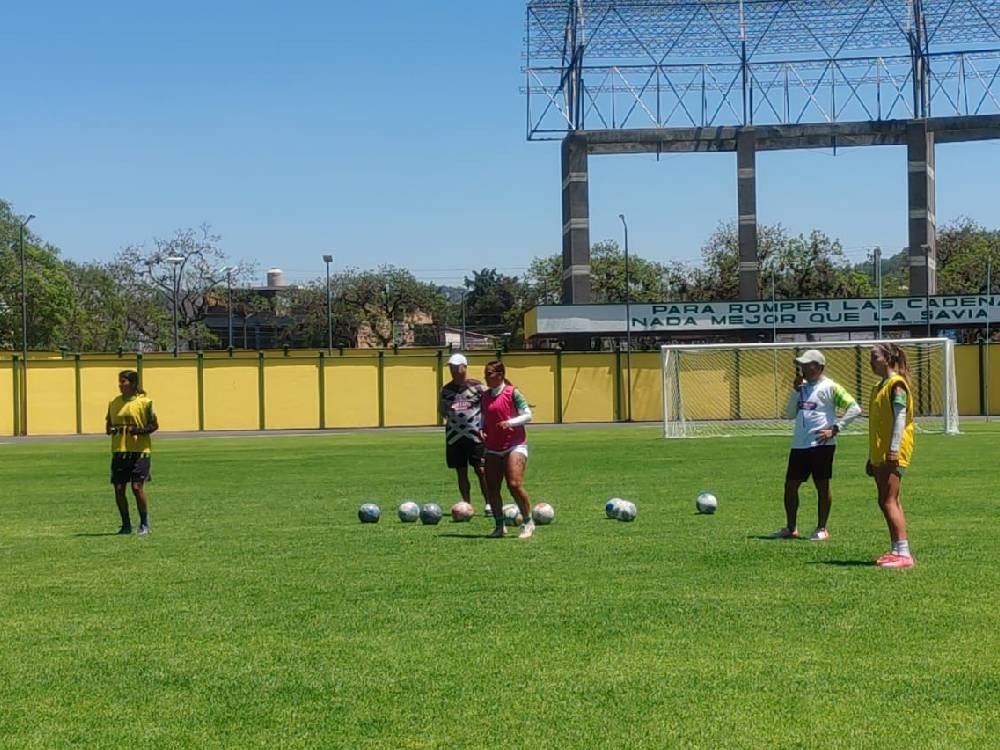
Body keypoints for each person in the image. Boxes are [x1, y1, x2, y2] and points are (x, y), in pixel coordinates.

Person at [769, 349, 861, 541]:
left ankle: (821, 528)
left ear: (818, 367)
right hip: (799, 445)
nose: (801, 367)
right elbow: (789, 414)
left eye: (806, 364)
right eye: (801, 364)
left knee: (822, 485)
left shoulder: (830, 387)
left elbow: (854, 408)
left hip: (821, 444)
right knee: (790, 486)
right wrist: (795, 392)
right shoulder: (801, 388)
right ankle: (791, 528)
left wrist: (835, 428)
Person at [866, 342, 916, 569]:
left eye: (875, 356)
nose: (870, 361)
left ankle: (904, 553)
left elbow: (899, 418)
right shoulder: (879, 386)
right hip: (881, 451)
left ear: (888, 358)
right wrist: (872, 455)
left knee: (888, 500)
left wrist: (894, 448)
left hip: (893, 450)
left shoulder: (897, 385)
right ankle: (897, 549)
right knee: (888, 499)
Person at [481, 360, 535, 539]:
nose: (486, 377)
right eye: (485, 374)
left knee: (514, 484)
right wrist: (482, 429)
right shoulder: (485, 396)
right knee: (492, 487)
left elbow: (528, 415)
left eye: (489, 373)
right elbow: (485, 416)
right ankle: (499, 526)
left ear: (500, 375)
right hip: (493, 447)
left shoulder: (513, 393)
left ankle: (528, 522)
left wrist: (510, 422)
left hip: (515, 444)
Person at [105, 370, 158, 535]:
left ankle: (144, 524)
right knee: (119, 489)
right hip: (120, 451)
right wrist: (112, 429)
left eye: (124, 382)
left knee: (136, 488)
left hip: (139, 451)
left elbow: (154, 425)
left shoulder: (145, 403)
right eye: (119, 382)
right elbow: (108, 426)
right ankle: (126, 525)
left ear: (133, 384)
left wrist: (139, 431)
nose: (120, 385)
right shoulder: (114, 403)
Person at [438, 353, 488, 516]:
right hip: (454, 437)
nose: (453, 370)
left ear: (464, 367)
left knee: (481, 470)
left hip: (475, 436)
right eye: (451, 367)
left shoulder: (478, 387)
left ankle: (489, 503)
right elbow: (443, 411)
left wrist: (484, 427)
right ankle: (467, 504)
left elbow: (488, 407)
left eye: (456, 367)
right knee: (461, 470)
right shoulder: (445, 390)